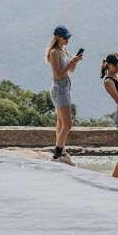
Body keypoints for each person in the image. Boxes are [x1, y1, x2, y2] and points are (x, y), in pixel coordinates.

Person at [46, 24, 83, 164]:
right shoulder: (54, 52)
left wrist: (75, 61)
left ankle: (63, 153)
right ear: (58, 38)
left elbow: (70, 70)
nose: (68, 39)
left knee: (61, 124)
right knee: (68, 125)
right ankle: (57, 155)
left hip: (65, 88)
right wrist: (72, 61)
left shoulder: (63, 50)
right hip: (59, 88)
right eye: (65, 37)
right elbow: (59, 74)